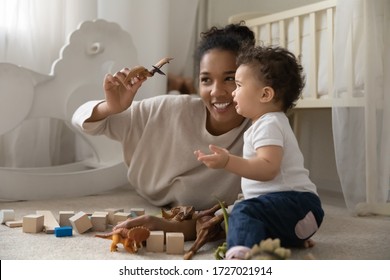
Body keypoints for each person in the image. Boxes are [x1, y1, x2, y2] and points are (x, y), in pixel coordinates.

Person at [72, 22, 255, 240]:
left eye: (229, 79)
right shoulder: (170, 109)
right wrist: (111, 107)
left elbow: (245, 217)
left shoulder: (260, 133)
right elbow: (80, 117)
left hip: (188, 212)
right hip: (148, 188)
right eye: (206, 79)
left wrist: (168, 226)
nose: (216, 91)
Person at [195, 45, 324, 259]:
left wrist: (228, 161)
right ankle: (292, 234)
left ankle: (241, 256)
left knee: (243, 212)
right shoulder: (269, 123)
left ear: (265, 94)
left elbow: (268, 169)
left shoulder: (269, 124)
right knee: (251, 216)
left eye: (238, 85)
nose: (233, 92)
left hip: (295, 203)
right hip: (296, 209)